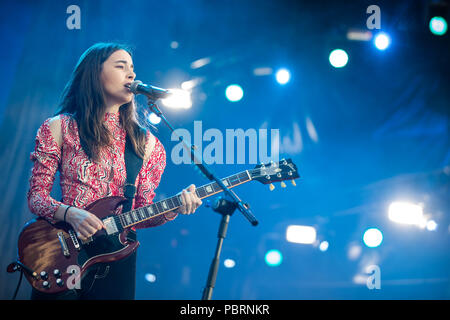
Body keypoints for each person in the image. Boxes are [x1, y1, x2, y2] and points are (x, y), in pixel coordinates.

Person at [27, 42, 202, 300]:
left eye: (132, 68)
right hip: (63, 256)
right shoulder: (60, 127)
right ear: (94, 74)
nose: (131, 74)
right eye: (121, 67)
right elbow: (36, 197)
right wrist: (70, 213)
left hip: (117, 260)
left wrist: (174, 208)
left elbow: (141, 213)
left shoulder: (148, 145)